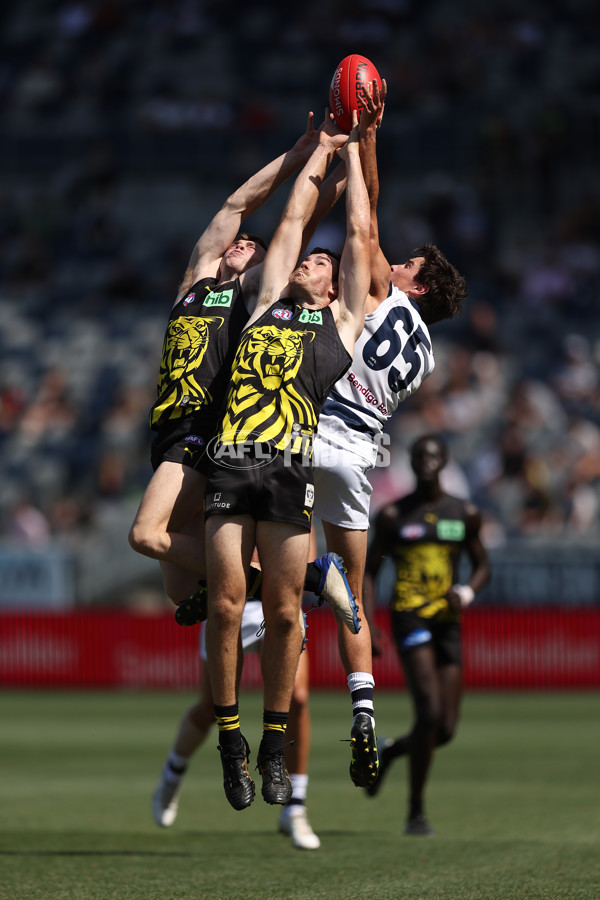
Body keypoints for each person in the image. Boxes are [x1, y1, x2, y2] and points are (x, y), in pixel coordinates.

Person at [203, 95, 377, 811]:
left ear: (334, 287)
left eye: (322, 263)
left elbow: (360, 233)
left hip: (286, 470)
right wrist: (321, 149)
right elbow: (298, 214)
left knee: (281, 616)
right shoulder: (271, 296)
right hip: (230, 458)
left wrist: (362, 146)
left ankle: (277, 742)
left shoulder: (340, 326)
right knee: (223, 605)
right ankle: (232, 742)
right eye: (310, 257)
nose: (312, 258)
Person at [128, 113, 358, 630]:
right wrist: (299, 152)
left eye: (252, 244)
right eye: (240, 240)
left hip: (205, 432)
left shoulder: (255, 295)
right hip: (167, 429)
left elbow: (300, 225)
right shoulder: (195, 282)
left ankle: (308, 582)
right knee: (183, 592)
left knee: (146, 534)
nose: (242, 241)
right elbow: (235, 205)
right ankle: (272, 591)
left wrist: (341, 166)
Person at [310, 78, 467, 790]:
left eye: (408, 266)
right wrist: (369, 138)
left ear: (419, 286)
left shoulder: (383, 292)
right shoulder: (426, 351)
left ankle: (296, 584)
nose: (395, 262)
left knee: (247, 541)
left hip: (310, 434)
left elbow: (364, 228)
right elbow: (377, 232)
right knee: (356, 597)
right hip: (361, 462)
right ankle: (366, 707)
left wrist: (354, 143)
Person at [363, 434, 491, 835]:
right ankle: (415, 812)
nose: (426, 463)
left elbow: (482, 564)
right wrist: (367, 623)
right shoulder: (393, 516)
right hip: (410, 619)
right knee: (430, 714)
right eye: (419, 457)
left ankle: (390, 751)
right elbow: (369, 572)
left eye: (433, 456)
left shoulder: (464, 512)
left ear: (445, 461)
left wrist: (467, 591)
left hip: (447, 622)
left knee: (446, 730)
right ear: (413, 463)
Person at [152, 598, 320, 849]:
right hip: (230, 602)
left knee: (297, 697)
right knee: (210, 709)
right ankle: (173, 772)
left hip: (279, 601)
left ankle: (295, 808)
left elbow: (306, 559)